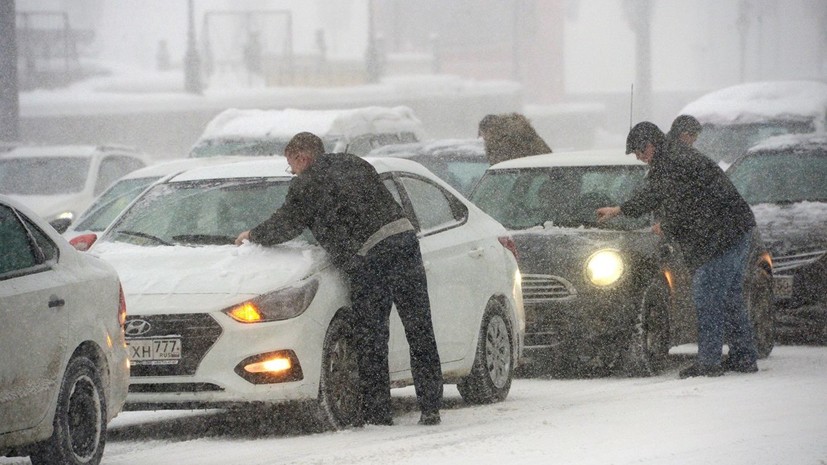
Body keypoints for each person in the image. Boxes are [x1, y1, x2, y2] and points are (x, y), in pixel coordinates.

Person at [235, 132, 443, 426]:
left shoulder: (307, 183)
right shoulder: (354, 162)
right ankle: (431, 406)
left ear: (302, 157)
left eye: (291, 164)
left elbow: (287, 223)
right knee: (419, 327)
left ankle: (378, 412)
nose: (292, 171)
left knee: (372, 335)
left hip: (371, 255)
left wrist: (252, 235)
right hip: (404, 242)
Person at [595, 122, 759, 379]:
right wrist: (620, 210)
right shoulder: (670, 159)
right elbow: (655, 194)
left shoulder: (675, 162)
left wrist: (668, 225)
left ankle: (709, 362)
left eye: (639, 152)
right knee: (729, 298)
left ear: (650, 145)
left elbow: (688, 202)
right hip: (736, 229)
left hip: (724, 234)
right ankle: (744, 356)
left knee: (708, 295)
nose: (639, 158)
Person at [478, 113, 552, 165]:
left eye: (484, 133)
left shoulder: (512, 138)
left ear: (491, 130)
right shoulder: (496, 144)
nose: (484, 137)